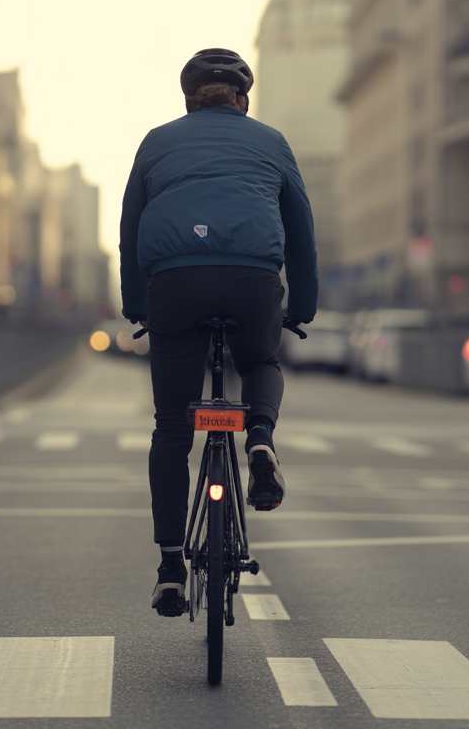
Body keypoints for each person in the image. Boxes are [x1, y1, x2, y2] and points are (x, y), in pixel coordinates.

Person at [119, 48, 318, 617]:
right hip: (252, 280)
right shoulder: (272, 142)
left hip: (175, 284)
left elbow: (130, 229)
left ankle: (170, 568)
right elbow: (301, 232)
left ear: (188, 102)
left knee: (171, 428)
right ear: (243, 100)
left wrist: (137, 307)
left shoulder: (156, 142)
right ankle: (259, 437)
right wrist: (301, 308)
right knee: (259, 362)